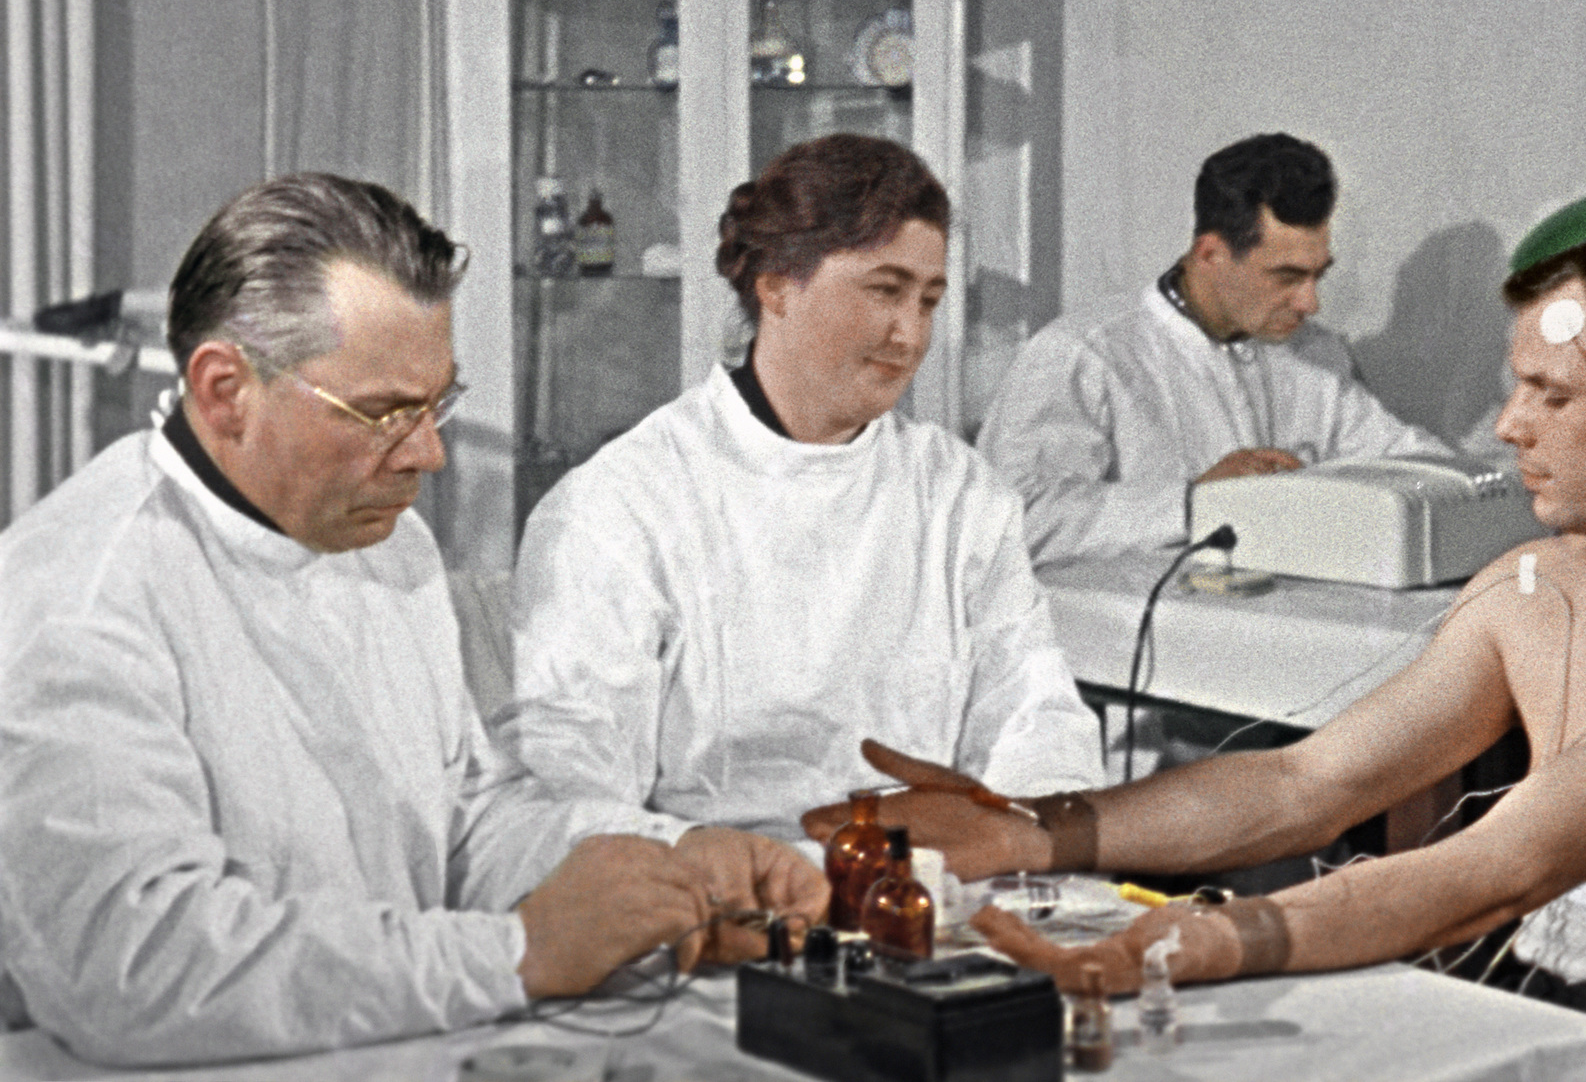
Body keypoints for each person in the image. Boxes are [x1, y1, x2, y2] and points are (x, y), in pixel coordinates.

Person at [807, 192, 1586, 1082]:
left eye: (1549, 396)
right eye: (1514, 387)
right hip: (1551, 1022)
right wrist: (1033, 831)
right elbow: (1308, 784)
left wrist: (1201, 938)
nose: (1506, 425)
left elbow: (1493, 869)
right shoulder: (1544, 586)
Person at [0, 174, 824, 1067]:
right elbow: (134, 970)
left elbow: (464, 821)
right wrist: (517, 954)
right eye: (385, 413)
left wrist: (674, 864)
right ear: (226, 389)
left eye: (436, 405)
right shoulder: (81, 597)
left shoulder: (384, 546)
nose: (428, 453)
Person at [494, 133, 1103, 848]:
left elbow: (1036, 719)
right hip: (720, 885)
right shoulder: (624, 502)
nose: (910, 335)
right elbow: (571, 773)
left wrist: (1026, 841)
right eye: (885, 291)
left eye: (929, 300)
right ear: (777, 284)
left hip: (931, 879)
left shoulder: (957, 492)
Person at [976, 130, 1452, 566]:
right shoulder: (1083, 354)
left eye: (1317, 275)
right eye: (1286, 277)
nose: (1310, 303)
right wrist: (1195, 503)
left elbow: (1410, 463)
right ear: (1210, 255)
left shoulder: (1316, 355)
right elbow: (1008, 522)